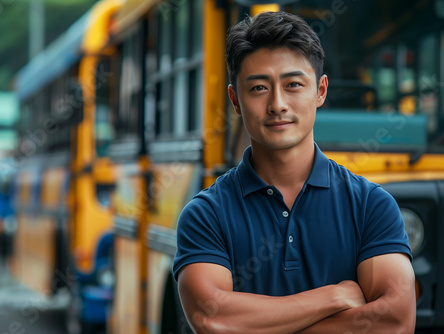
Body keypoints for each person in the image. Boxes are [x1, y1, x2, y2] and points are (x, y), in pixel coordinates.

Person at [172, 11, 416, 334]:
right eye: (259, 88)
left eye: (293, 85)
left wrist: (260, 325)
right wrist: (334, 296)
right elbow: (211, 318)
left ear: (320, 91)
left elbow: (396, 321)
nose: (278, 104)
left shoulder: (371, 206)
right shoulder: (206, 215)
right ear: (235, 100)